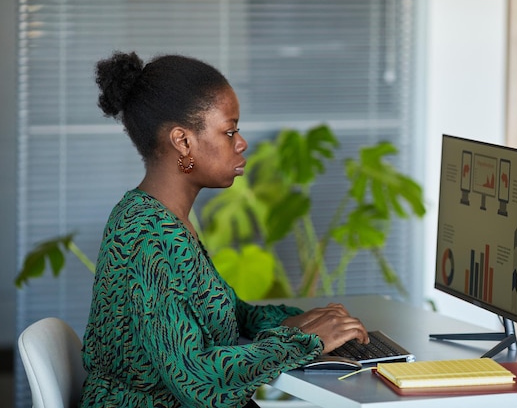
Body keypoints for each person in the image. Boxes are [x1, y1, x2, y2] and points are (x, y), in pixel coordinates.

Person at [79, 51, 369, 408]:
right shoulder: (148, 235)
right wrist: (304, 341)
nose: (241, 143)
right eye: (230, 131)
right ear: (183, 142)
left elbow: (231, 313)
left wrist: (302, 321)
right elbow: (194, 379)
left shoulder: (165, 218)